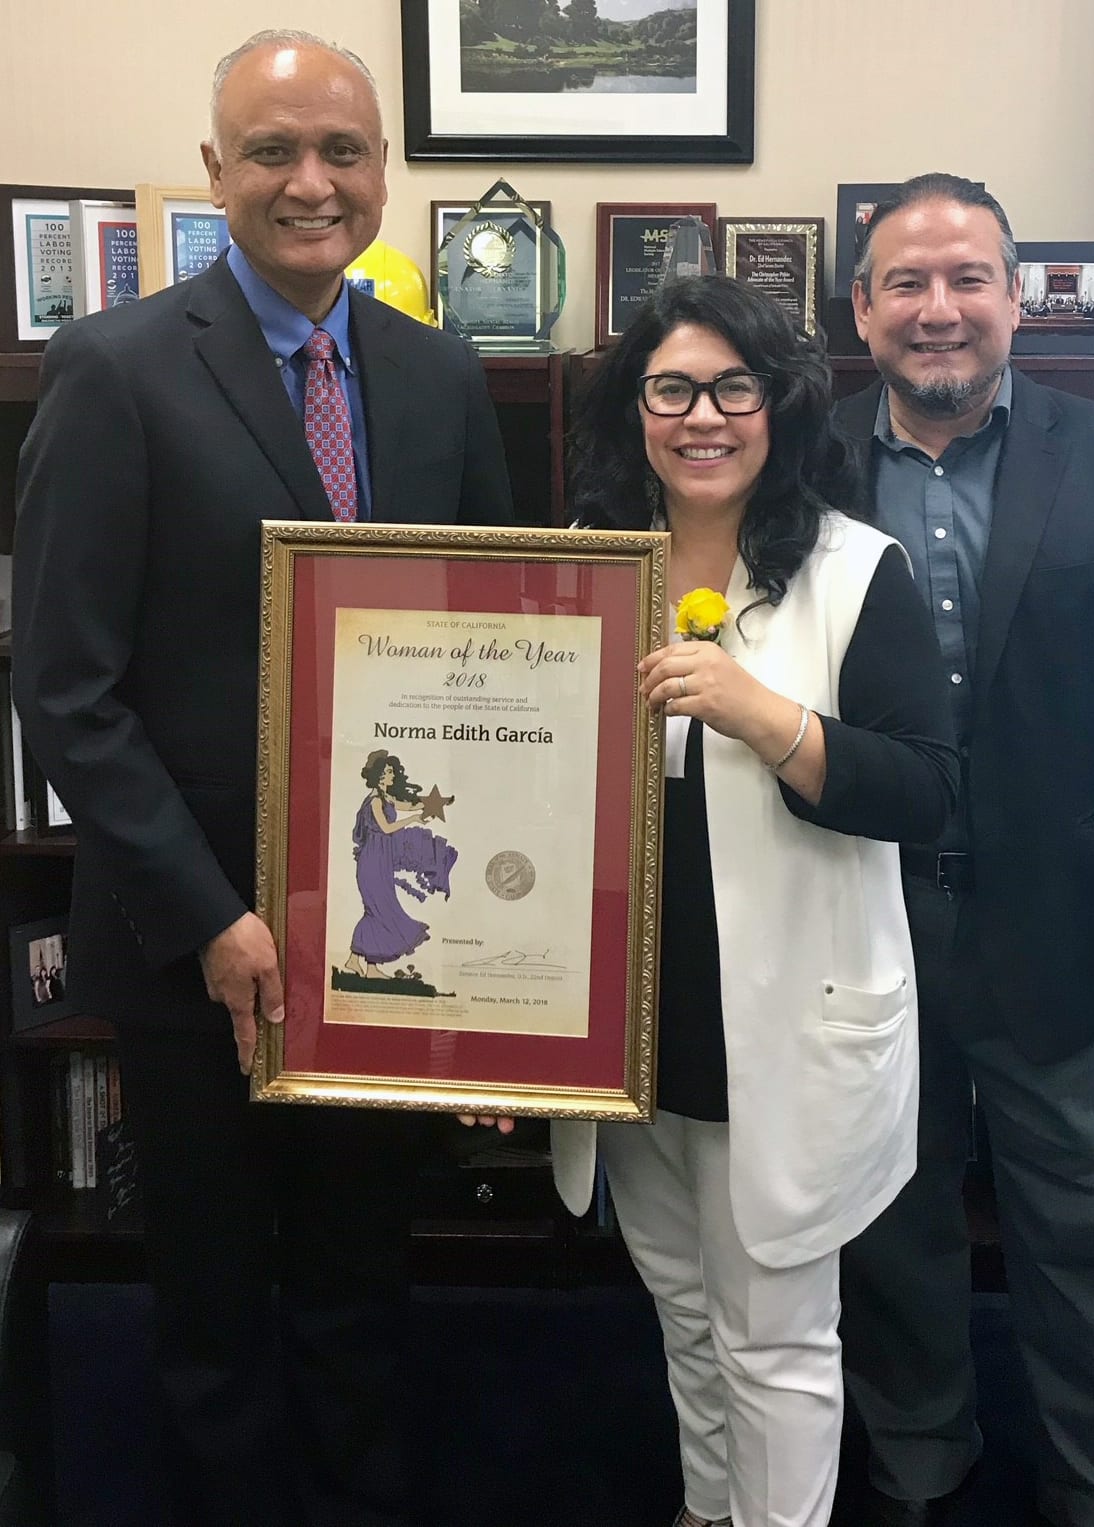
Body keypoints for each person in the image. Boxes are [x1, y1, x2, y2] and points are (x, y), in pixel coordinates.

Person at [12, 28, 512, 1527]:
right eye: (276, 151)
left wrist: (501, 976)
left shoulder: (436, 374)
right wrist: (213, 913)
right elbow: (67, 687)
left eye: (344, 151)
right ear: (218, 169)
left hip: (385, 945)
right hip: (197, 952)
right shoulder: (112, 369)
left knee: (364, 1287)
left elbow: (498, 658)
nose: (314, 182)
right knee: (218, 1314)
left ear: (384, 173)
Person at [832, 174, 1094, 1527]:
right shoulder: (800, 464)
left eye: (966, 280)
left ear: (1018, 298)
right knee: (891, 1231)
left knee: (1079, 1233)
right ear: (863, 309)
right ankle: (919, 1464)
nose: (938, 309)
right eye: (907, 282)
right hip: (859, 926)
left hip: (1065, 923)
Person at [551, 274, 958, 1527]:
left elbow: (925, 791)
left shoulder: (854, 571)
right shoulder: (581, 571)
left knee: (778, 1335)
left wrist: (764, 716)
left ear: (779, 407)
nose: (702, 417)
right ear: (634, 412)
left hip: (780, 1032)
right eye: (669, 389)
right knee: (684, 1308)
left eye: (734, 388)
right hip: (632, 1031)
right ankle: (710, 1510)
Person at [343, 750, 456, 980]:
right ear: (378, 776)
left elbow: (411, 805)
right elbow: (386, 828)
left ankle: (362, 963)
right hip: (371, 861)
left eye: (392, 771)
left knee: (377, 911)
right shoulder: (375, 800)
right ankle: (360, 962)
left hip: (381, 860)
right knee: (378, 910)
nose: (392, 774)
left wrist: (436, 802)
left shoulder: (387, 798)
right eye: (387, 771)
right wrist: (412, 820)